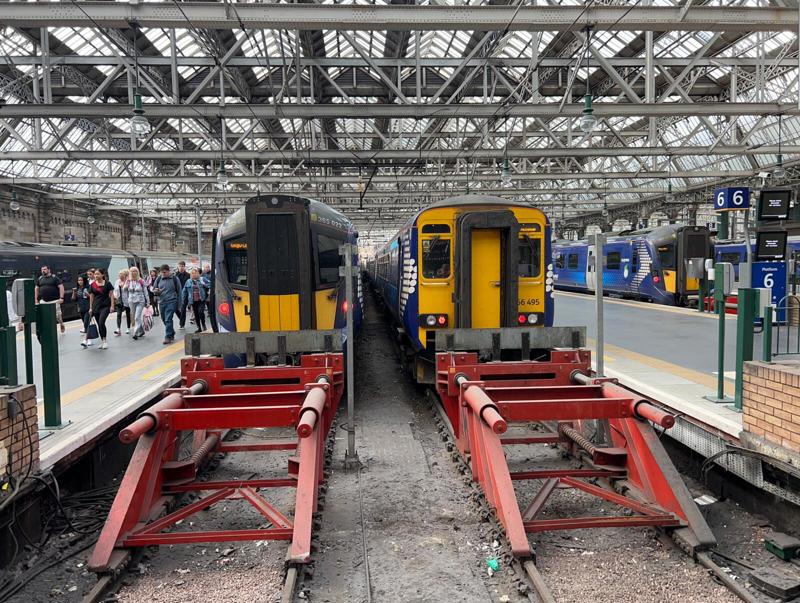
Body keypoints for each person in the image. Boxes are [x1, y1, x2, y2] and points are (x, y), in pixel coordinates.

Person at [153, 264, 182, 344]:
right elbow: (154, 289)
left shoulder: (175, 279)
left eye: (164, 272)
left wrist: (180, 304)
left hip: (172, 301)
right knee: (163, 319)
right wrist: (156, 291)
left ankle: (168, 336)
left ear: (169, 271)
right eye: (162, 273)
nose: (163, 274)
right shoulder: (159, 279)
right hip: (161, 302)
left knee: (168, 318)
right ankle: (171, 332)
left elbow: (179, 291)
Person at [88, 269, 115, 349]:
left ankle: (105, 340)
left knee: (101, 322)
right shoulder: (92, 285)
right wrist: (90, 308)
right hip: (96, 307)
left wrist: (112, 306)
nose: (96, 276)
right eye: (95, 274)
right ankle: (102, 341)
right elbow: (91, 297)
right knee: (99, 324)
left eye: (98, 274)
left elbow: (112, 295)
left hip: (105, 306)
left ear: (102, 275)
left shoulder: (107, 284)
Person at [35, 265, 65, 333]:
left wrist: (61, 297)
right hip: (43, 300)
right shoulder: (40, 279)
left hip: (54, 300)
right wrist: (36, 299)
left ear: (49, 270)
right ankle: (48, 328)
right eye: (42, 270)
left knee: (58, 315)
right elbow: (36, 288)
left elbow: (61, 287)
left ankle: (61, 323)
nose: (43, 271)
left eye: (45, 269)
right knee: (43, 315)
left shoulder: (55, 278)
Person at [125, 266, 148, 340]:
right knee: (135, 317)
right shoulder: (128, 281)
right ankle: (141, 331)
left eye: (135, 271)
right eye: (131, 271)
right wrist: (125, 286)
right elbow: (124, 289)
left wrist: (148, 302)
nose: (133, 272)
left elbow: (145, 291)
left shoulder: (141, 281)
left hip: (140, 301)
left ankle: (135, 332)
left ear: (137, 272)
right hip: (131, 301)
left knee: (137, 317)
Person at [182, 268, 208, 333]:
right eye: (192, 273)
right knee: (196, 314)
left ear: (198, 274)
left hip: (201, 299)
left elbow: (210, 285)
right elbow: (184, 291)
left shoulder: (202, 279)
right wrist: (183, 300)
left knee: (200, 312)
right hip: (193, 300)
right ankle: (199, 327)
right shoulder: (188, 281)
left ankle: (203, 324)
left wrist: (204, 284)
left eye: (195, 273)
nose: (194, 274)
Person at [73, 275, 92, 346]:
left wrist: (88, 295)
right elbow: (74, 299)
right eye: (78, 280)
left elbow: (92, 297)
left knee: (86, 324)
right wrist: (74, 292)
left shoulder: (88, 287)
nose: (80, 282)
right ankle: (89, 339)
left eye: (81, 280)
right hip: (81, 309)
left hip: (88, 308)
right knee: (85, 324)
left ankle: (86, 340)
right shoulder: (77, 289)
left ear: (84, 280)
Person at [113, 269, 131, 336]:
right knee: (118, 314)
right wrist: (115, 296)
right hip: (119, 300)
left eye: (121, 274)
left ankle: (128, 328)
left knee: (128, 314)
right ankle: (118, 329)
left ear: (125, 275)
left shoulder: (128, 281)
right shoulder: (117, 281)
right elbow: (115, 290)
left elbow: (129, 289)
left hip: (127, 300)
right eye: (119, 274)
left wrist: (123, 286)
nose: (120, 276)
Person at [175, 261, 190, 330]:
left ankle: (182, 324)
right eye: (180, 266)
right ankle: (182, 318)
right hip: (177, 295)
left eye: (182, 266)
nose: (181, 267)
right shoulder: (175, 275)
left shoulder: (188, 275)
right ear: (178, 267)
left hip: (185, 294)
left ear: (184, 267)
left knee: (183, 309)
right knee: (176, 309)